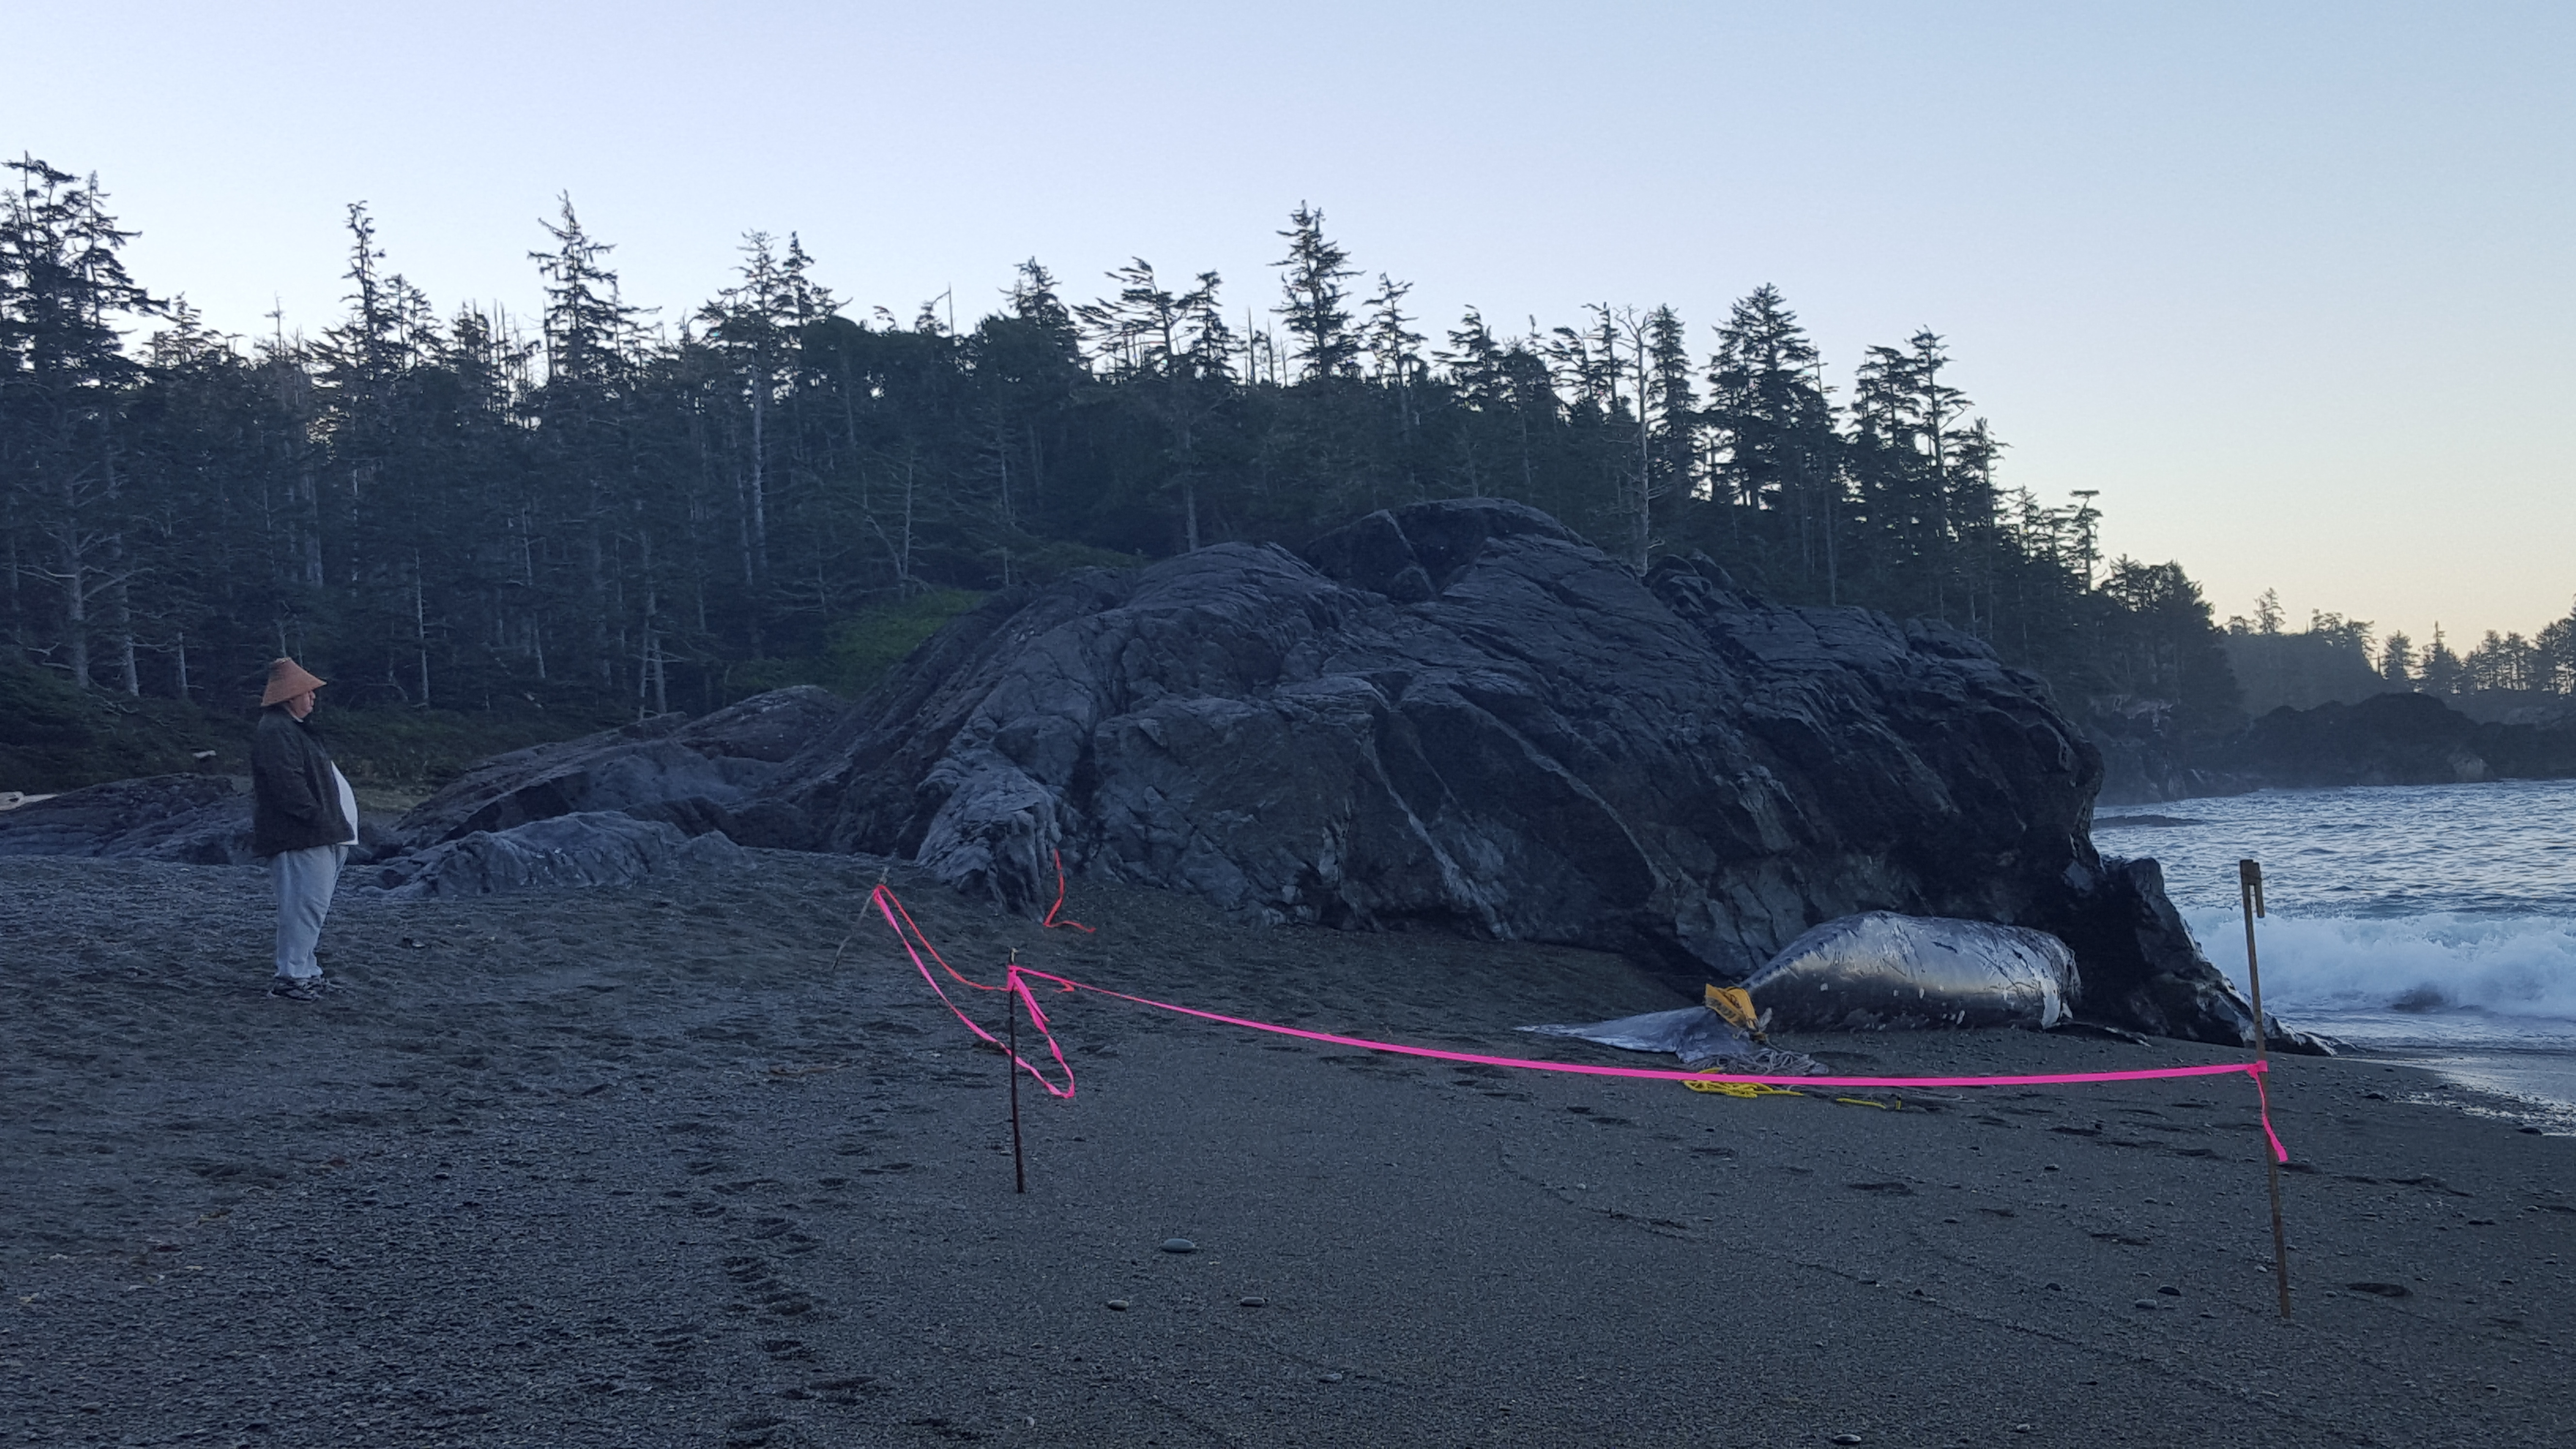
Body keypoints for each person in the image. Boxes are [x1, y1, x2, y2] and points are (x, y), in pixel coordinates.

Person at [250, 658, 359, 1000]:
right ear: (290, 695)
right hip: (301, 836)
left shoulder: (292, 729)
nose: (313, 697)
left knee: (312, 907)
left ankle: (306, 971)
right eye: (307, 692)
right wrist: (315, 817)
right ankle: (292, 977)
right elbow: (287, 782)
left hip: (319, 834)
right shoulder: (276, 730)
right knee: (303, 907)